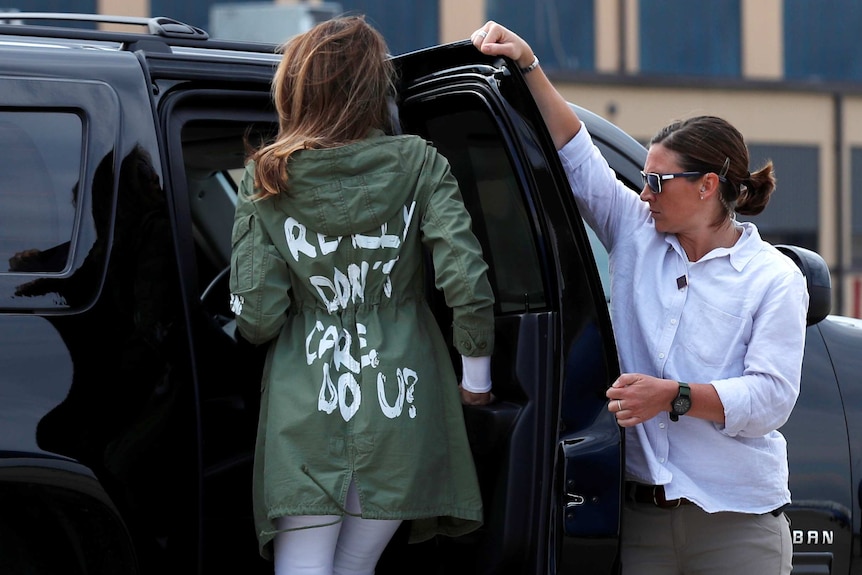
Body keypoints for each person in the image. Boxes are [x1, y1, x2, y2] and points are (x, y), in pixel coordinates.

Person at [471, 22, 807, 575]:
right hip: (641, 521)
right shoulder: (635, 230)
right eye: (643, 179)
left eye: (657, 181)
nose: (644, 193)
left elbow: (771, 398)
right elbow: (577, 155)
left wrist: (672, 395)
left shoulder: (773, 277)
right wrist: (529, 65)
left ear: (706, 186)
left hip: (736, 522)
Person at [229, 15, 495, 575]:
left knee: (301, 565)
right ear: (375, 89)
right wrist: (476, 381)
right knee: (355, 566)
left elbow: (257, 315)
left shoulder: (266, 178)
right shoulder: (421, 162)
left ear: (297, 86)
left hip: (308, 395)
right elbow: (466, 279)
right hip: (403, 391)